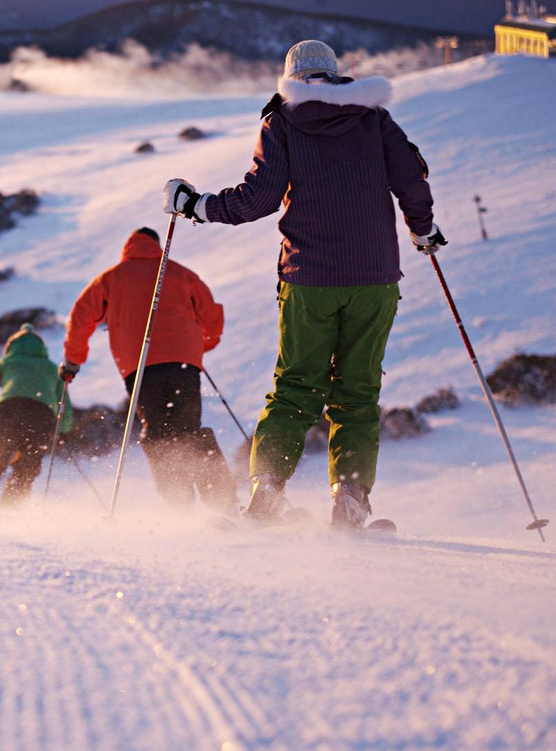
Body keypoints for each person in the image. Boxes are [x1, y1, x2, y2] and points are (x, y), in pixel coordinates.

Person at [162, 39, 445, 528]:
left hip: (309, 278)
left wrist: (196, 206)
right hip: (375, 278)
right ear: (335, 75)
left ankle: (267, 493)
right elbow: (412, 180)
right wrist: (423, 230)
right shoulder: (374, 118)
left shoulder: (283, 122)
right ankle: (350, 501)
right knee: (356, 391)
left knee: (295, 388)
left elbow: (257, 200)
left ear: (290, 77)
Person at [59, 226, 237, 512]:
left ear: (128, 247)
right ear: (156, 246)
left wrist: (73, 360)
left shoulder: (110, 278)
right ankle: (223, 502)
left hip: (140, 368)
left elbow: (80, 317)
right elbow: (212, 313)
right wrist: (203, 345)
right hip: (183, 365)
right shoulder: (180, 273)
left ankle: (180, 505)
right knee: (188, 428)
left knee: (157, 431)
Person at [0, 323, 74, 507]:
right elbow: (65, 408)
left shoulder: (7, 362)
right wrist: (63, 432)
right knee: (25, 471)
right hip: (43, 418)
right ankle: (9, 514)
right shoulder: (53, 369)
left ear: (10, 347)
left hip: (9, 412)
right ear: (41, 348)